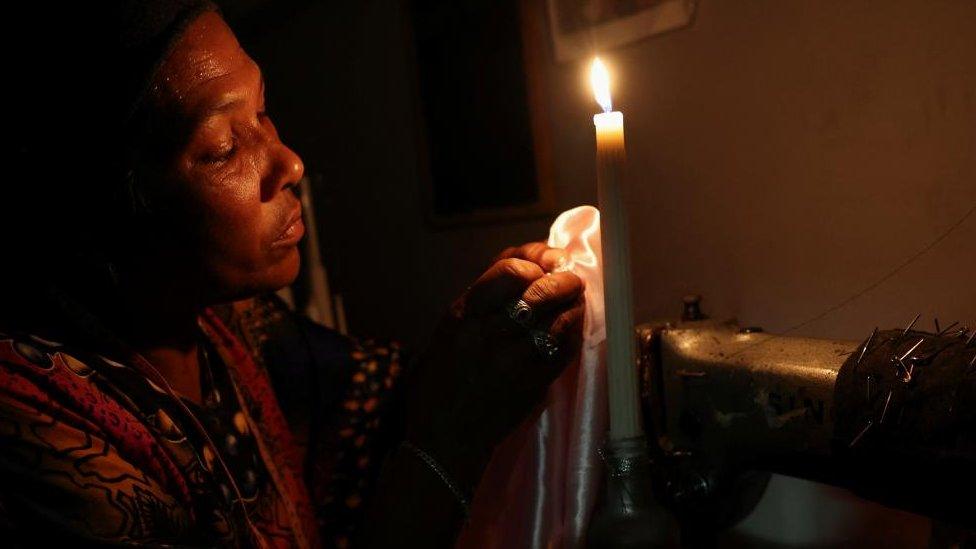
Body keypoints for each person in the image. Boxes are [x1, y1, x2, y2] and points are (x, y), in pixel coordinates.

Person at [0, 1, 584, 547]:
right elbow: (431, 432)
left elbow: (379, 403)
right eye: (224, 146)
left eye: (262, 109)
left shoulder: (229, 325)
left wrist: (480, 333)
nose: (290, 162)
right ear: (104, 204)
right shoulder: (37, 432)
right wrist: (449, 442)